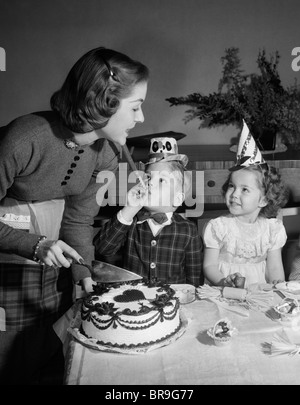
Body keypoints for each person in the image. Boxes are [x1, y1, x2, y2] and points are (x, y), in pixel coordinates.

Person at [0, 46, 149, 384]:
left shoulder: (106, 153)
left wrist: (83, 272)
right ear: (103, 102)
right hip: (6, 272)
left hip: (51, 275)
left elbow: (79, 221)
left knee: (48, 359)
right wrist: (35, 245)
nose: (141, 118)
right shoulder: (24, 139)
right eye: (136, 107)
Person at [94, 137, 203, 287]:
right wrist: (129, 210)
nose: (150, 182)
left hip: (171, 304)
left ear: (177, 199)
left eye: (161, 180)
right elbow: (103, 249)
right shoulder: (131, 221)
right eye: (149, 177)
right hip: (133, 301)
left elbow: (194, 278)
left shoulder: (189, 231)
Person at [203, 121, 289, 288]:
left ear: (264, 199)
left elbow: (275, 268)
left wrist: (278, 285)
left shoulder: (272, 230)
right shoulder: (218, 227)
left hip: (258, 293)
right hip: (224, 290)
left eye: (245, 190)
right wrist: (223, 281)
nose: (234, 194)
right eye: (231, 186)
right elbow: (209, 266)